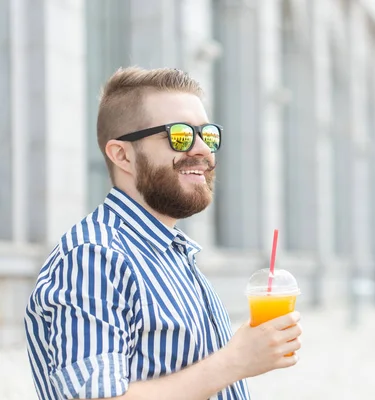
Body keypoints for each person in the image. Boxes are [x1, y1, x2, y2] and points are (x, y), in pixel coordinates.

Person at [23, 66, 302, 400]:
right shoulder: (93, 256)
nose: (203, 150)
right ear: (122, 155)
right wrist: (235, 360)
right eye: (180, 135)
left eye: (208, 135)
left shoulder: (173, 253)